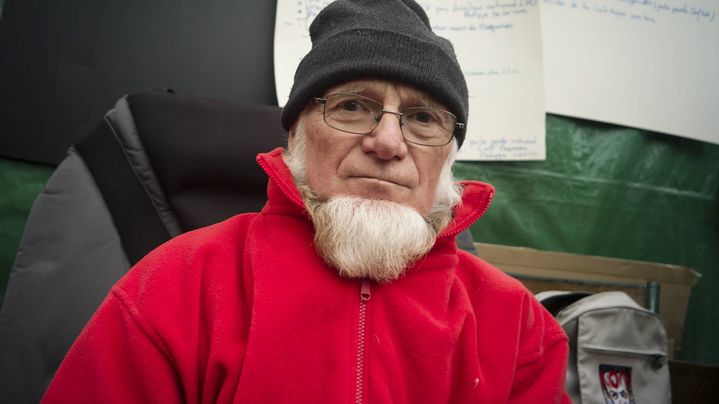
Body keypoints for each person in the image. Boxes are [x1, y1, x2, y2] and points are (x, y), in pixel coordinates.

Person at [42, 0, 569, 402]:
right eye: (353, 106)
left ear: (447, 158)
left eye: (423, 118)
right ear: (297, 134)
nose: (388, 143)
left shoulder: (518, 326)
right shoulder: (178, 285)